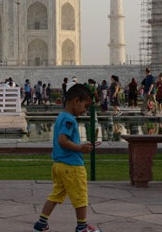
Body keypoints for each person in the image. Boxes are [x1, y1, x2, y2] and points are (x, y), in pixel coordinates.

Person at [32, 84, 100, 232]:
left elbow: (65, 141)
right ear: (76, 101)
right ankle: (82, 227)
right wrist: (81, 148)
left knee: (55, 195)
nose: (85, 110)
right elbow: (63, 141)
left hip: (59, 166)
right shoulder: (70, 120)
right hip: (72, 166)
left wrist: (81, 145)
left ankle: (41, 223)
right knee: (81, 197)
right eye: (85, 106)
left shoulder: (62, 117)